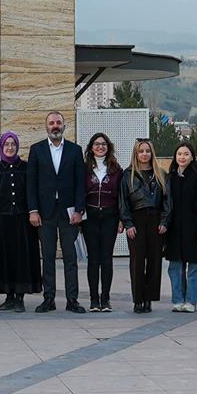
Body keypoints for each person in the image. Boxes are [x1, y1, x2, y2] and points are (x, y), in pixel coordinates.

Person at [28, 111, 86, 313]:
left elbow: (80, 183)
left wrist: (79, 210)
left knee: (70, 258)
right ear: (46, 127)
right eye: (52, 123)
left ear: (64, 126)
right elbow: (31, 183)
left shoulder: (75, 150)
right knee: (48, 257)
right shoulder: (36, 150)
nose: (55, 126)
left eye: (58, 122)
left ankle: (72, 300)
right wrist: (33, 210)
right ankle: (49, 299)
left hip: (69, 214)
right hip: (45, 214)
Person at [0, 132, 37, 312]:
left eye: (13, 144)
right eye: (6, 144)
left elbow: (32, 192)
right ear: (1, 147)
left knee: (21, 258)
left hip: (23, 221)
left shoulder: (26, 167)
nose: (9, 147)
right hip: (1, 222)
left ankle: (20, 297)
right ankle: (8, 296)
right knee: (5, 258)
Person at [119, 138, 172, 314]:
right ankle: (138, 299)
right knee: (137, 261)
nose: (144, 154)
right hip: (137, 219)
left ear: (152, 153)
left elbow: (167, 200)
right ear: (136, 153)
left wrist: (164, 221)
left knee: (155, 261)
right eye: (141, 151)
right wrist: (128, 223)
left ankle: (149, 298)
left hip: (156, 219)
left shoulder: (161, 174)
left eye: (147, 151)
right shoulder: (128, 175)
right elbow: (123, 202)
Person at [79, 133, 123, 311]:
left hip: (110, 216)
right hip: (90, 216)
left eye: (103, 144)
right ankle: (93, 300)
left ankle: (105, 299)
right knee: (93, 259)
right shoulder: (84, 169)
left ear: (108, 147)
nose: (100, 147)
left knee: (106, 258)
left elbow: (121, 196)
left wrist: (121, 219)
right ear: (91, 148)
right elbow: (79, 192)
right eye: (96, 144)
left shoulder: (116, 169)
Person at [163, 142, 197, 312]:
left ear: (192, 157)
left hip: (194, 230)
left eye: (186, 154)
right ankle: (177, 300)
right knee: (175, 266)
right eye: (179, 154)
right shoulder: (170, 178)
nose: (182, 157)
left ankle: (191, 301)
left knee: (194, 266)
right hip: (174, 230)